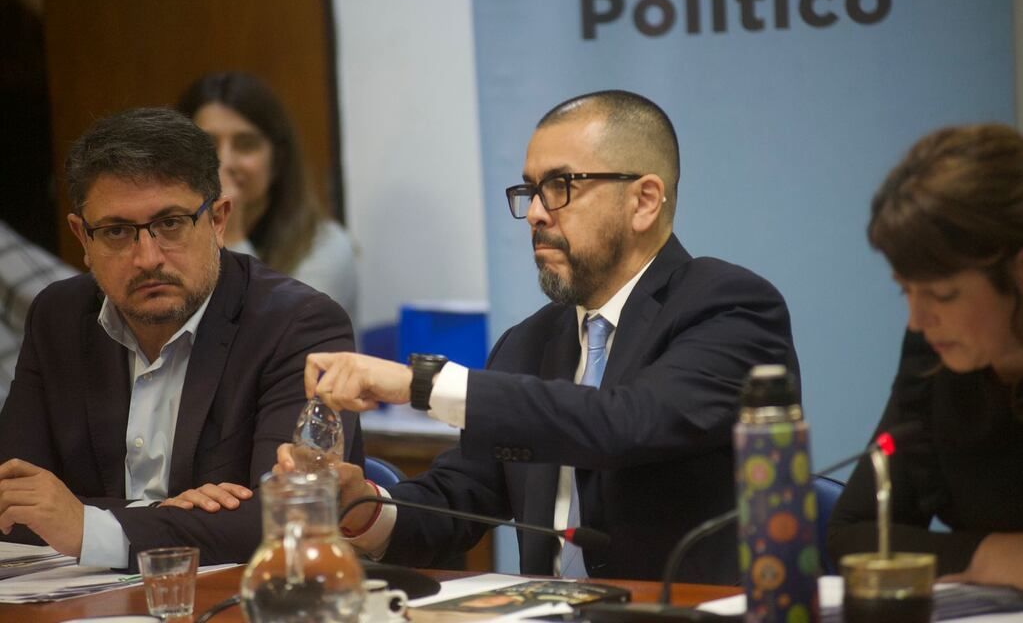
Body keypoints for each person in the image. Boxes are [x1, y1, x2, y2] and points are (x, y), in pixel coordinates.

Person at [277, 90, 800, 583]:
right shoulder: (528, 342)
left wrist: (422, 383)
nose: (534, 213)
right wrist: (361, 507)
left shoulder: (729, 307)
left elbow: (625, 422)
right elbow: (458, 501)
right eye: (530, 189)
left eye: (561, 186)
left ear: (644, 201)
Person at [0, 108, 363, 568]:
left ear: (217, 220)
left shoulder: (300, 325)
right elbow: (13, 501)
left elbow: (290, 517)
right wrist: (158, 515)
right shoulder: (58, 317)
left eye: (170, 223)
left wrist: (89, 525)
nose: (147, 257)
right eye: (116, 232)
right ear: (82, 238)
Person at [827, 123, 1023, 589]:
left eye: (942, 294)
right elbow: (852, 535)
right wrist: (987, 554)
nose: (918, 320)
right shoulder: (934, 358)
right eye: (906, 291)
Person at [177, 71, 358, 319]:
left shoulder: (325, 245)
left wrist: (228, 232)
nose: (223, 162)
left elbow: (282, 343)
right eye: (206, 145)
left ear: (277, 160)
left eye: (245, 144)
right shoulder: (165, 238)